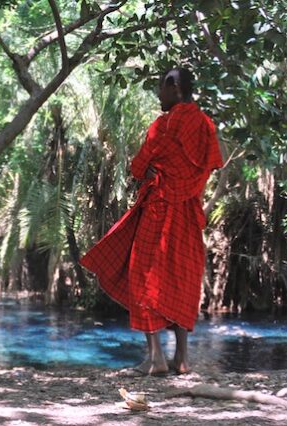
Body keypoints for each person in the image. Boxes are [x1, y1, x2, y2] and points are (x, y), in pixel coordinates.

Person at [79, 67, 223, 375]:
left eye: (161, 88)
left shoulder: (164, 126)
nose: (159, 94)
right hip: (188, 215)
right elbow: (207, 170)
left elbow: (137, 167)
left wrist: (152, 173)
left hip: (159, 212)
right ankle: (182, 359)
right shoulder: (205, 126)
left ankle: (156, 358)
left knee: (145, 279)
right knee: (181, 280)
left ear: (174, 88)